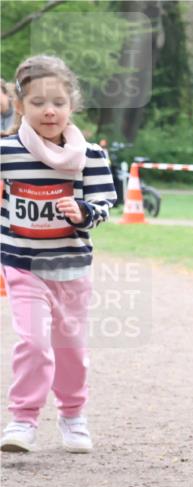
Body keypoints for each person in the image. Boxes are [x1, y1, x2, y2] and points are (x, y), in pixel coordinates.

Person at [0, 55, 117, 454]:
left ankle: (72, 415)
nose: (49, 110)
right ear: (20, 106)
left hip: (71, 267)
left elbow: (104, 204)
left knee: (71, 350)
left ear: (72, 105)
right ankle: (23, 420)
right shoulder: (6, 153)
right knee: (34, 344)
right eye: (37, 103)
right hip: (23, 265)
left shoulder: (91, 156)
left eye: (58, 103)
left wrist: (83, 211)